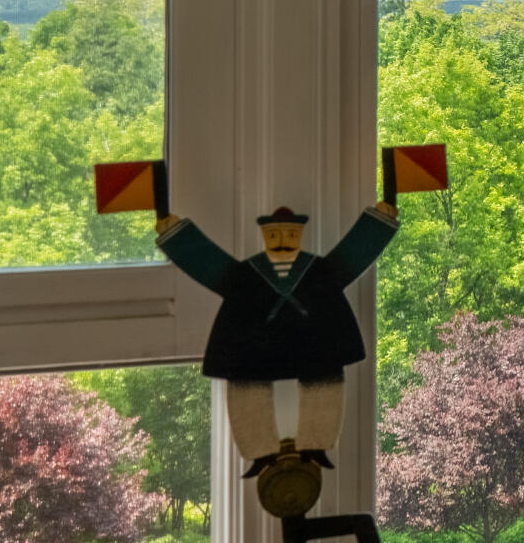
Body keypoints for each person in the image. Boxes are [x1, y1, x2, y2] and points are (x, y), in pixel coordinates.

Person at [156, 198, 397, 511]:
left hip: (314, 345)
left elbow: (352, 255)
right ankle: (259, 447)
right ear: (265, 237)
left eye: (290, 236)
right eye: (274, 236)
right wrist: (174, 233)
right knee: (248, 391)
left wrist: (380, 220)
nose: (283, 243)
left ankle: (316, 443)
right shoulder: (247, 276)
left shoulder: (318, 272)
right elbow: (208, 264)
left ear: (299, 236)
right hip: (255, 351)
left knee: (323, 386)